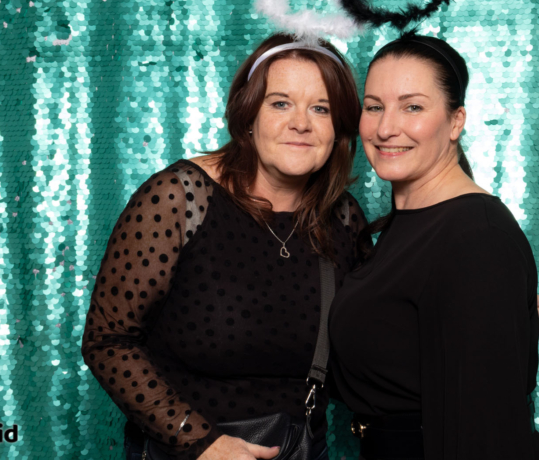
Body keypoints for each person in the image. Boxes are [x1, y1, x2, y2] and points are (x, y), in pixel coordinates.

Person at [81, 32, 366, 460]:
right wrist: (201, 442)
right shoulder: (179, 199)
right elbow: (108, 340)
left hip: (302, 449)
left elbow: (364, 353)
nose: (301, 123)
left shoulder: (343, 217)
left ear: (339, 128)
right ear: (249, 114)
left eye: (320, 108)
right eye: (280, 103)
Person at [328, 35, 539, 460]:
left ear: (455, 121)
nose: (385, 128)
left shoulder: (476, 236)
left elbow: (486, 435)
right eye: (373, 107)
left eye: (412, 107)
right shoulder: (412, 225)